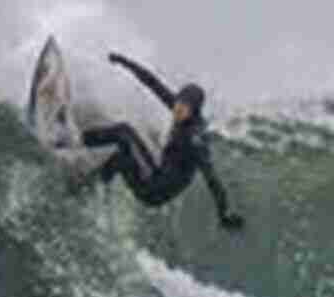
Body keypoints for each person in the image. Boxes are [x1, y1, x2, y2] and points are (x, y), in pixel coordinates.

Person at [81, 53, 245, 231]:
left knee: (124, 132)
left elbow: (212, 178)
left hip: (155, 187)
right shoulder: (179, 109)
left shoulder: (195, 138)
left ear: (193, 110)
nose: (177, 110)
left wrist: (223, 212)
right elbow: (152, 82)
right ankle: (87, 189)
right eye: (178, 104)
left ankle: (76, 138)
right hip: (154, 182)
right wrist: (124, 61)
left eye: (184, 108)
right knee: (121, 157)